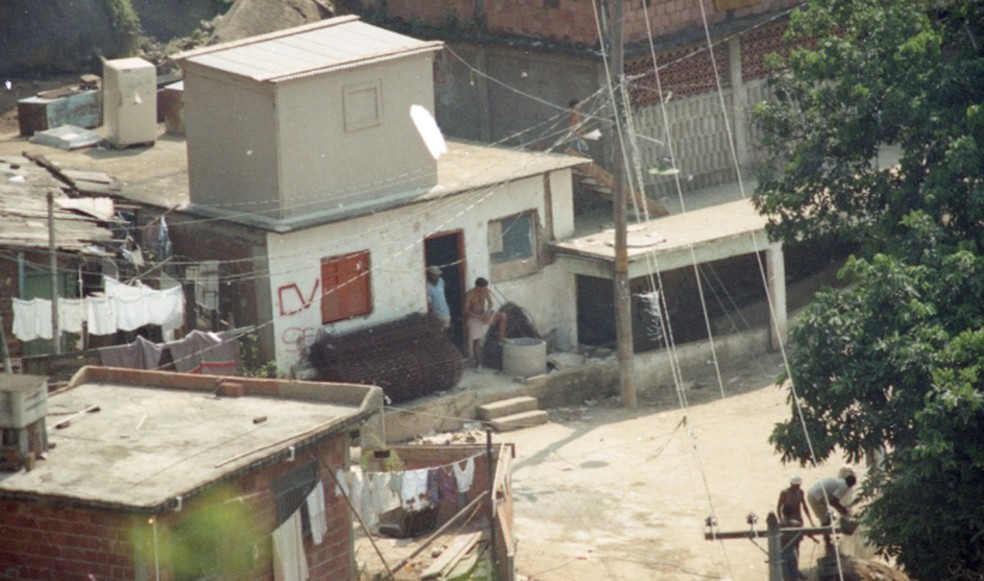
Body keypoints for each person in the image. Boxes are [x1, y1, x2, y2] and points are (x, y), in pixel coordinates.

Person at [807, 472, 857, 551]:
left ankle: (828, 540)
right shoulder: (844, 486)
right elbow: (833, 502)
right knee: (825, 521)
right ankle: (828, 544)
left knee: (829, 517)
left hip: (815, 494)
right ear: (851, 485)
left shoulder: (839, 481)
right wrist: (843, 511)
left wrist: (841, 509)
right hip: (816, 498)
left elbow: (832, 500)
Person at [463, 277, 507, 368]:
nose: (484, 290)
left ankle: (501, 339)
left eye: (485, 288)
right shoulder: (470, 294)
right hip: (474, 317)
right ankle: (478, 363)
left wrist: (487, 312)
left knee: (503, 316)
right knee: (476, 341)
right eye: (482, 288)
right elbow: (465, 310)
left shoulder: (485, 291)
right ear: (478, 287)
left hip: (484, 315)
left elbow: (490, 303)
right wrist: (477, 316)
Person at [779, 504, 804, 581]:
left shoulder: (779, 525)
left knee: (786, 577)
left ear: (782, 513)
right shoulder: (796, 524)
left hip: (782, 551)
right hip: (792, 550)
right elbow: (801, 537)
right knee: (795, 576)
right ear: (792, 513)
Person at [425, 265, 451, 333]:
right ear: (430, 275)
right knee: (438, 333)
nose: (436, 277)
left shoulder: (441, 281)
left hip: (445, 312)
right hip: (436, 315)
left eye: (438, 275)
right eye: (434, 275)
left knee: (446, 332)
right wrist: (433, 316)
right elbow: (429, 303)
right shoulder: (427, 286)